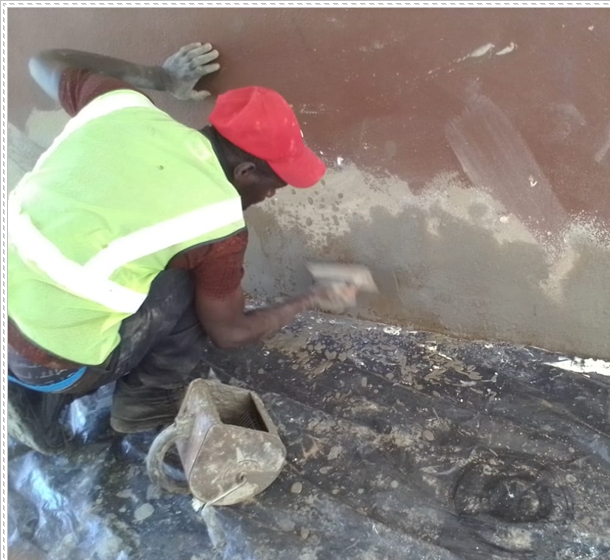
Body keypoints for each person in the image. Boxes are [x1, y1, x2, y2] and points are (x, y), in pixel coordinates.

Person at [7, 43, 359, 455]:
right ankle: (144, 404)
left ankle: (24, 389)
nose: (270, 196)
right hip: (55, 365)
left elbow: (43, 61)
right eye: (273, 187)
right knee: (192, 288)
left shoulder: (121, 106)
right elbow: (230, 333)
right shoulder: (216, 220)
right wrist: (310, 299)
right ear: (246, 171)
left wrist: (161, 79)